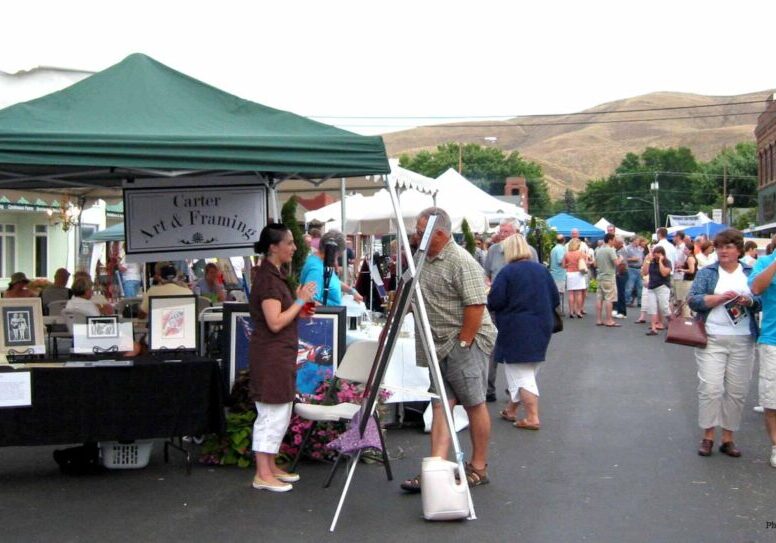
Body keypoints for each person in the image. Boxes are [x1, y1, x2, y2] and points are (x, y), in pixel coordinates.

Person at [400, 207, 496, 492]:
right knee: (441, 404)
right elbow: (410, 294)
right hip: (437, 343)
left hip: (464, 341)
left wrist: (464, 343)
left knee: (473, 402)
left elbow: (476, 306)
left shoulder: (461, 261)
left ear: (438, 234)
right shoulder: (421, 259)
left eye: (420, 232)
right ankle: (435, 468)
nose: (415, 237)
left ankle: (478, 467)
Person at [249, 223, 317, 492]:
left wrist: (299, 308)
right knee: (271, 414)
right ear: (273, 247)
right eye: (289, 242)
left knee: (280, 411)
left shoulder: (274, 275)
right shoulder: (267, 280)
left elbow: (280, 316)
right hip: (270, 355)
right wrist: (299, 302)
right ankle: (262, 473)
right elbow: (274, 322)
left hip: (279, 354)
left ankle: (271, 465)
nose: (294, 247)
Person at [688, 229, 759, 458]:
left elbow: (761, 299)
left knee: (737, 391)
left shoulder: (750, 271)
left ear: (738, 249)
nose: (723, 251)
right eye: (719, 247)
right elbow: (694, 299)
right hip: (711, 336)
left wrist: (748, 300)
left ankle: (728, 437)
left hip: (743, 338)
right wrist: (718, 299)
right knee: (711, 388)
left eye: (728, 247)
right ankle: (708, 435)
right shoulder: (708, 271)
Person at [488, 234, 558, 430]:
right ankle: (511, 409)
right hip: (542, 324)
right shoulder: (542, 270)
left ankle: (532, 417)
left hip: (516, 327)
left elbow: (495, 301)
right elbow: (555, 298)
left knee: (520, 373)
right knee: (528, 368)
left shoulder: (507, 272)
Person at [749, 242, 776, 466]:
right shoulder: (765, 262)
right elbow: (756, 288)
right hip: (772, 340)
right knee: (772, 399)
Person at [300, 230, 363, 307]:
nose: (336, 259)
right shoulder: (316, 270)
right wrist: (330, 312)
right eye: (338, 255)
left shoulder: (323, 262)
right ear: (332, 252)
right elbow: (308, 302)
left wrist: (352, 291)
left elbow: (331, 281)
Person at [642, 246, 672, 336]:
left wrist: (660, 262)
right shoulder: (651, 262)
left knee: (664, 307)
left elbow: (664, 273)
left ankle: (672, 322)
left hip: (662, 287)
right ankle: (653, 328)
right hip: (652, 287)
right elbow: (645, 272)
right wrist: (647, 260)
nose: (656, 256)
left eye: (658, 254)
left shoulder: (667, 262)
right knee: (652, 308)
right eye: (655, 254)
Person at [594, 233, 622, 327]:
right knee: (609, 299)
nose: (614, 242)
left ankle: (598, 319)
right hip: (609, 277)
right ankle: (609, 320)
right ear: (610, 240)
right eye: (614, 240)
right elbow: (616, 263)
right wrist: (620, 259)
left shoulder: (598, 250)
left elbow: (595, 264)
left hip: (600, 276)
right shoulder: (611, 250)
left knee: (599, 298)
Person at [563, 238, 587, 319]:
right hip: (579, 274)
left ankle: (571, 311)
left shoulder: (566, 254)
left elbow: (563, 265)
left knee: (571, 293)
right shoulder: (581, 253)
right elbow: (585, 263)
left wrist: (569, 264)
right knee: (579, 293)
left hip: (570, 273)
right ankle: (578, 311)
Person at [624, 237, 645, 307]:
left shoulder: (640, 249)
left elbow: (642, 258)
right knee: (630, 286)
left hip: (639, 269)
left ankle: (640, 302)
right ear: (633, 241)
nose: (638, 242)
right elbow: (624, 258)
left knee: (640, 286)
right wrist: (632, 259)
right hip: (631, 268)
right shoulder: (627, 248)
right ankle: (628, 301)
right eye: (637, 240)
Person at [549, 235, 567, 313]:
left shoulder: (553, 249)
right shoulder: (561, 249)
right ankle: (559, 310)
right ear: (564, 240)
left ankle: (557, 310)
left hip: (554, 273)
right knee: (559, 293)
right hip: (560, 273)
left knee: (555, 292)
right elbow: (560, 261)